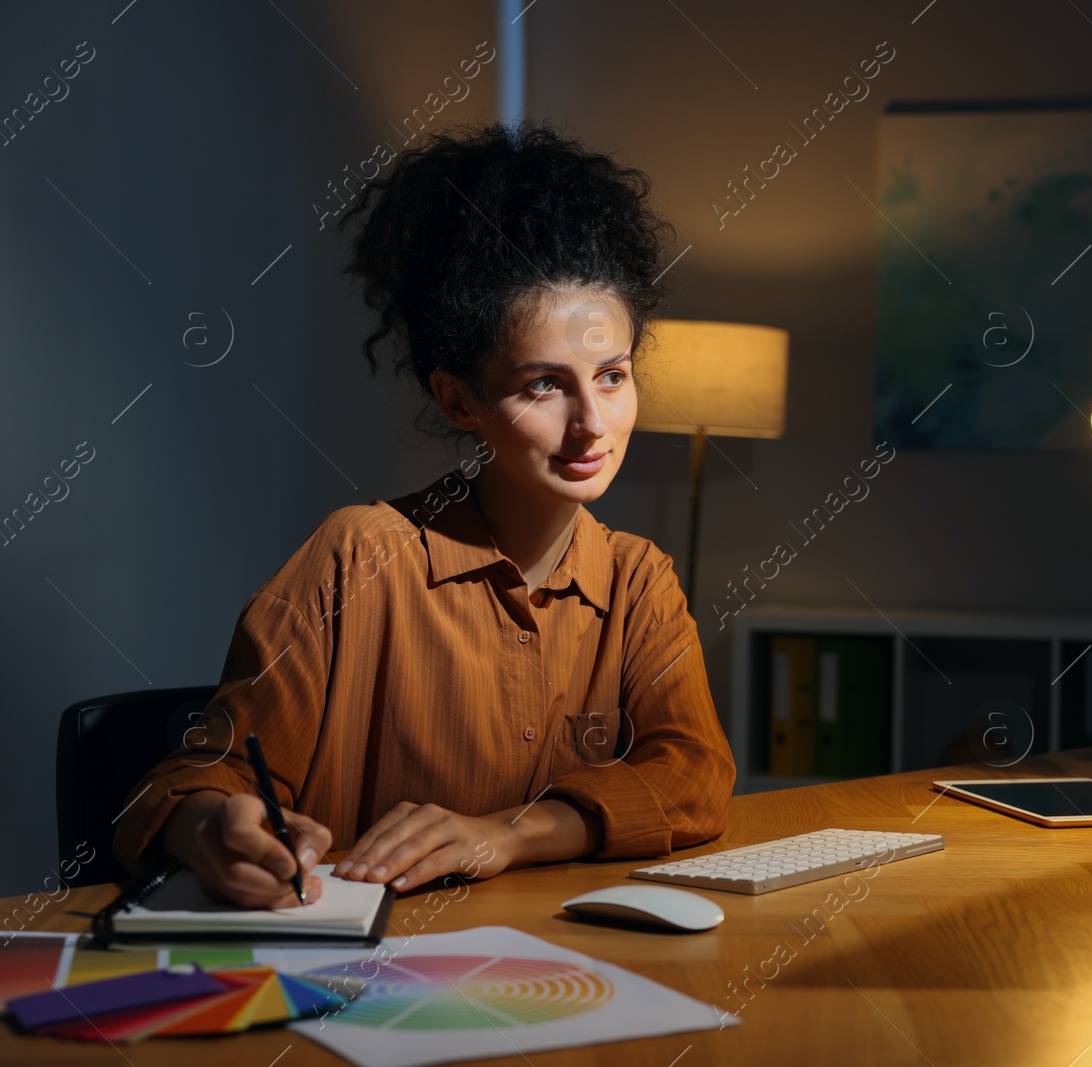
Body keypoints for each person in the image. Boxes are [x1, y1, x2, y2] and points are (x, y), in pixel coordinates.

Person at [111, 121, 737, 908]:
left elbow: (695, 777)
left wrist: (509, 833)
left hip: (563, 974)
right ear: (457, 399)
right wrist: (212, 827)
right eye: (544, 384)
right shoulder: (355, 557)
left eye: (611, 376)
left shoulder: (641, 581)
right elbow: (193, 780)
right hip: (363, 990)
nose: (592, 424)